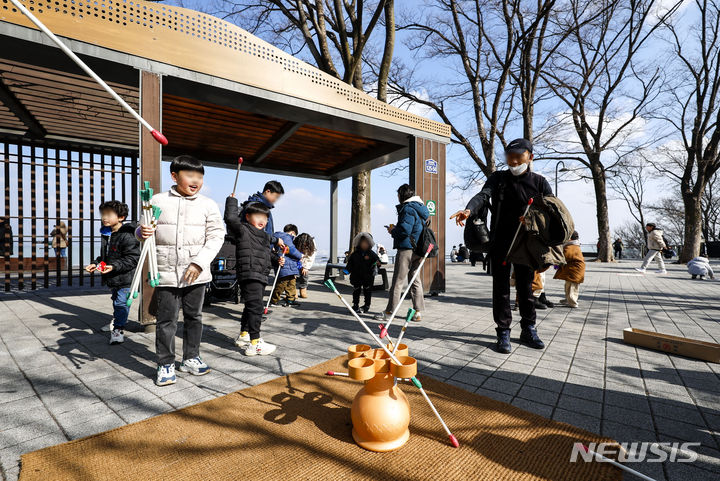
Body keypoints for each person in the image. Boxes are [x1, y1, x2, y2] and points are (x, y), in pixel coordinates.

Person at [450, 138, 551, 354]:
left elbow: (552, 210)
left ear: (530, 157)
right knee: (501, 289)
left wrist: (535, 221)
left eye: (519, 157)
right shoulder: (498, 178)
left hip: (526, 242)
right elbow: (483, 195)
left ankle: (528, 328)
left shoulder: (540, 182)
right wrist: (468, 210)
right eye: (510, 157)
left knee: (526, 287)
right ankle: (503, 330)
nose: (513, 162)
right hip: (501, 242)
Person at [141, 155, 225, 386]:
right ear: (174, 176)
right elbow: (143, 232)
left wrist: (199, 262)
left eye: (199, 176)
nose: (195, 180)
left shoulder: (208, 204)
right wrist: (141, 233)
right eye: (190, 175)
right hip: (166, 272)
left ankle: (191, 357)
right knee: (166, 320)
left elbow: (217, 235)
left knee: (194, 317)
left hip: (196, 273)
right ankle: (165, 363)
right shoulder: (157, 201)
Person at [224, 198, 285, 356]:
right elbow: (230, 219)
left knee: (251, 306)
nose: (262, 221)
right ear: (247, 217)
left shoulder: (264, 237)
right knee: (256, 307)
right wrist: (231, 201)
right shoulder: (243, 229)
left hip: (260, 274)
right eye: (258, 217)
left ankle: (244, 335)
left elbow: (267, 252)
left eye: (265, 218)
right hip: (250, 273)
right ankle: (255, 343)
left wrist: (277, 258)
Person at [84, 201, 140, 344]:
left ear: (121, 217)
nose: (104, 217)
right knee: (116, 302)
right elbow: (104, 257)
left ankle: (118, 330)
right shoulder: (107, 234)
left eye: (109, 214)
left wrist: (113, 266)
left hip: (126, 278)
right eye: (103, 214)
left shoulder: (128, 235)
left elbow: (132, 258)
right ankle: (116, 322)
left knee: (121, 303)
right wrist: (95, 264)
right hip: (113, 278)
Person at [375, 184, 428, 323]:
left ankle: (389, 312)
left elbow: (405, 230)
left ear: (402, 195)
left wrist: (393, 230)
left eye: (398, 194)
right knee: (415, 280)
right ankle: (417, 312)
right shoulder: (420, 208)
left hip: (407, 249)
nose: (397, 197)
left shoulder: (408, 209)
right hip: (419, 249)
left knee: (398, 281)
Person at [346, 232, 380, 313]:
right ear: (358, 243)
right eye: (362, 242)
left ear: (370, 244)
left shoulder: (372, 254)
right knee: (356, 290)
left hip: (368, 276)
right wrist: (346, 271)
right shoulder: (355, 254)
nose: (364, 244)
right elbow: (350, 264)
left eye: (367, 243)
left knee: (367, 291)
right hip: (356, 276)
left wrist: (378, 264)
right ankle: (355, 305)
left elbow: (377, 261)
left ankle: (367, 305)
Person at [270, 224, 304, 307]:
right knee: (281, 284)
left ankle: (290, 299)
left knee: (291, 283)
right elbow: (291, 249)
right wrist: (300, 255)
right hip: (285, 265)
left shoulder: (280, 237)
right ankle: (274, 300)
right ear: (292, 232)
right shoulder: (286, 237)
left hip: (290, 266)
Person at [554, 231, 585, 308]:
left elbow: (565, 257)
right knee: (568, 285)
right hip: (573, 269)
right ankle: (568, 299)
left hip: (574, 270)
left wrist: (557, 263)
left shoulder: (571, 246)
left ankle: (572, 302)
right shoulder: (574, 245)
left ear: (570, 238)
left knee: (572, 286)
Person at [294, 233, 316, 299]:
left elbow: (311, 257)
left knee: (304, 275)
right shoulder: (295, 242)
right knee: (293, 276)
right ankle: (293, 291)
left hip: (305, 260)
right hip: (296, 260)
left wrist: (306, 267)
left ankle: (303, 289)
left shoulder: (312, 244)